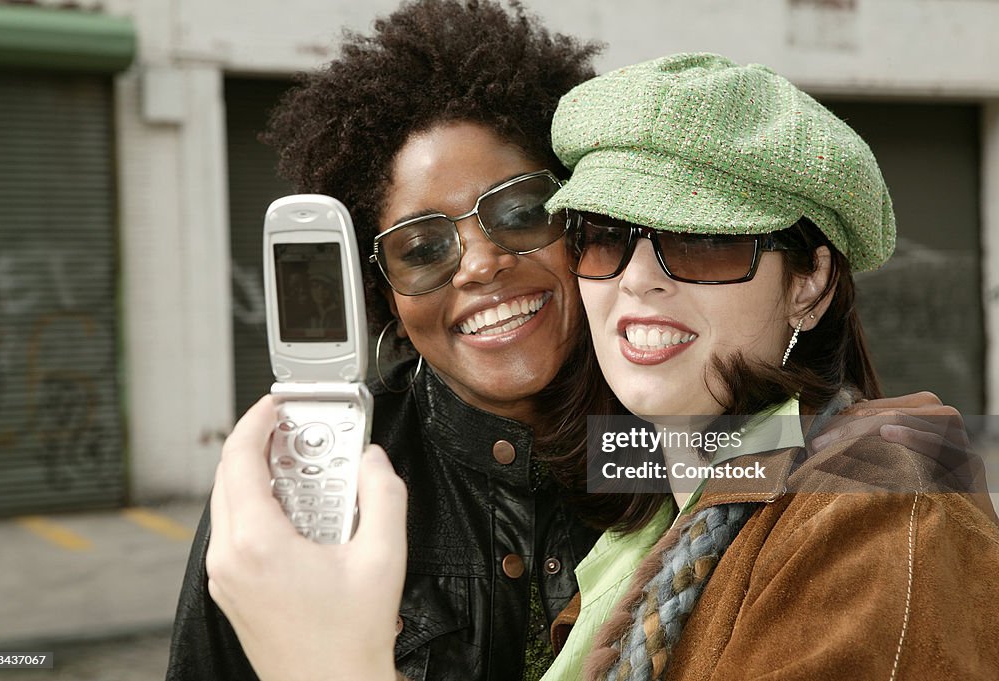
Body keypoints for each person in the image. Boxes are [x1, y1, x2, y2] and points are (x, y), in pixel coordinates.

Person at [176, 3, 986, 678]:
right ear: (380, 287)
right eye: (423, 247)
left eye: (522, 213)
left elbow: (860, 475)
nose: (482, 265)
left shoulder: (687, 440)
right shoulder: (308, 490)